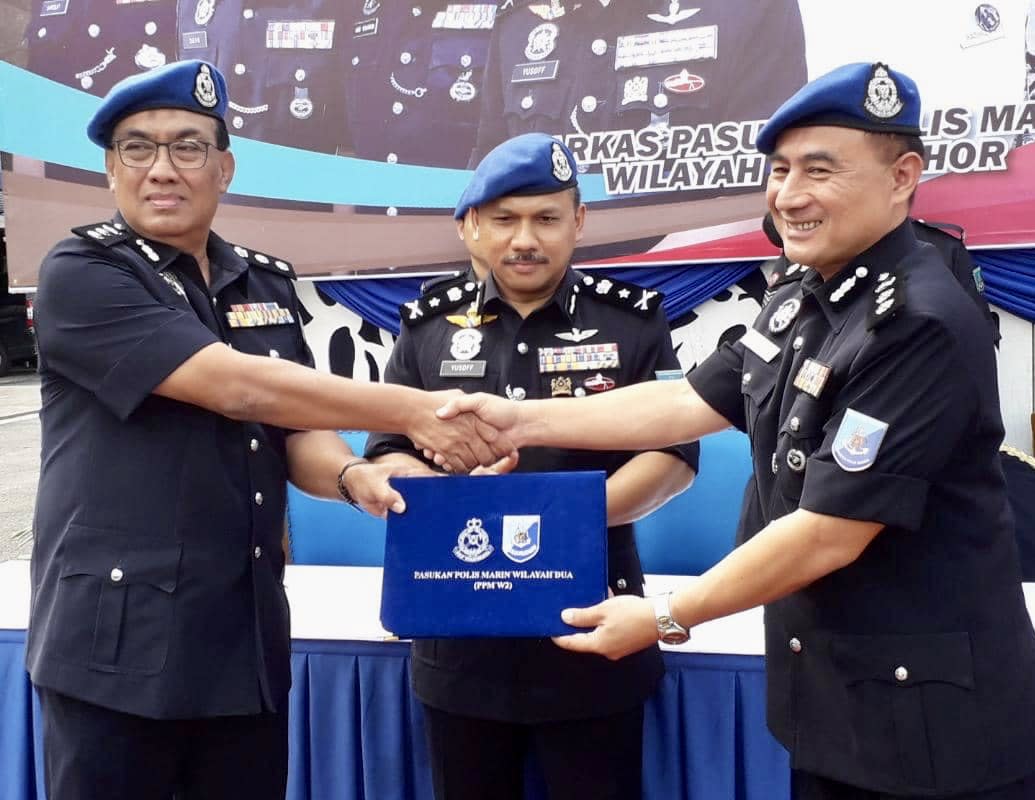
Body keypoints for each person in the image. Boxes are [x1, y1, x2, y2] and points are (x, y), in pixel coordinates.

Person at [436, 63, 1035, 798]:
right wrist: (519, 419)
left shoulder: (914, 322)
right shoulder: (802, 296)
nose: (788, 195)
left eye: (818, 170)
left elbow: (829, 531)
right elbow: (686, 402)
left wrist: (662, 614)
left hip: (932, 726)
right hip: (838, 695)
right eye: (778, 170)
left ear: (902, 176)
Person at [26, 59, 513, 800]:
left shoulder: (263, 283)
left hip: (240, 640)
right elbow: (239, 387)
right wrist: (413, 409)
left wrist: (358, 477)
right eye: (138, 147)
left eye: (188, 147)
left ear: (224, 168)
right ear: (109, 168)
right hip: (115, 651)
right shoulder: (82, 271)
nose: (163, 169)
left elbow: (294, 427)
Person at [362, 132, 699, 800]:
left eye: (546, 218)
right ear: (469, 228)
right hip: (459, 641)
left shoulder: (630, 321)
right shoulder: (426, 325)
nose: (525, 239)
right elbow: (386, 449)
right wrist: (427, 491)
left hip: (594, 628)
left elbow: (671, 456)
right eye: (505, 219)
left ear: (577, 222)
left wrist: (564, 522)